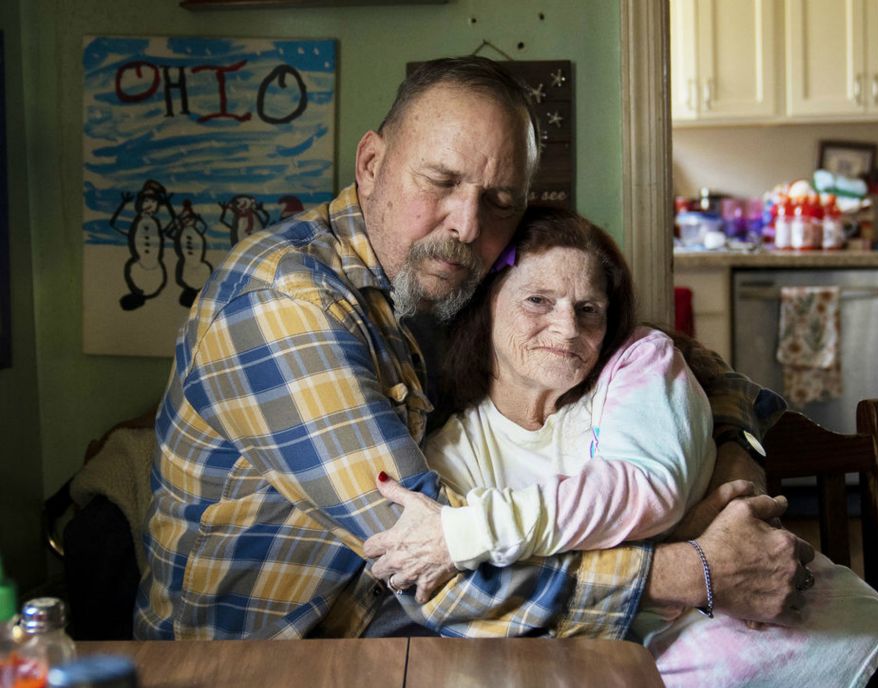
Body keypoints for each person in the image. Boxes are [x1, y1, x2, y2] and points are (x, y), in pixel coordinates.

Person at [135, 55, 806, 642]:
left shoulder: (452, 275)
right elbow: (432, 566)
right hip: (258, 663)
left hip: (385, 625)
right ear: (371, 164)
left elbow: (658, 354)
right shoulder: (284, 302)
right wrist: (693, 569)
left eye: (500, 199)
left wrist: (732, 470)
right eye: (442, 181)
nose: (466, 224)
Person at [366, 207, 878, 688]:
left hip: (857, 662)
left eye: (589, 309)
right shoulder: (449, 455)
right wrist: (693, 530)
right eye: (538, 300)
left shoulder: (637, 364)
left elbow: (643, 489)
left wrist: (473, 534)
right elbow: (489, 610)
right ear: (485, 306)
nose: (568, 329)